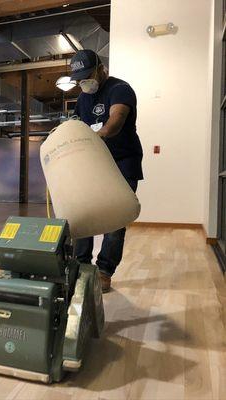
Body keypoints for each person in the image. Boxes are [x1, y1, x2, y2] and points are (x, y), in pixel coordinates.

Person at [69, 49, 143, 293]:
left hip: (122, 161)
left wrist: (93, 137)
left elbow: (115, 123)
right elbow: (76, 124)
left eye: (87, 76)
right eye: (79, 79)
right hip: (94, 161)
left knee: (115, 219)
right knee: (83, 213)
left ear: (101, 69)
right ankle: (80, 267)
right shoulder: (82, 98)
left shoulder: (120, 89)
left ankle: (104, 271)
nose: (83, 83)